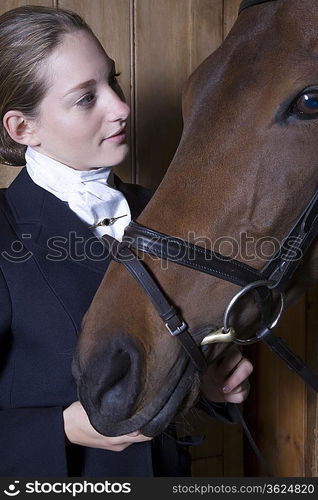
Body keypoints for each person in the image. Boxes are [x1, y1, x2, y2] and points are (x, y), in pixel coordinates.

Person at [0, 5, 253, 477]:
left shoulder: (165, 210)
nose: (121, 108)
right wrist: (60, 429)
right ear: (22, 128)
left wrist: (207, 386)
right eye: (85, 98)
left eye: (112, 81)